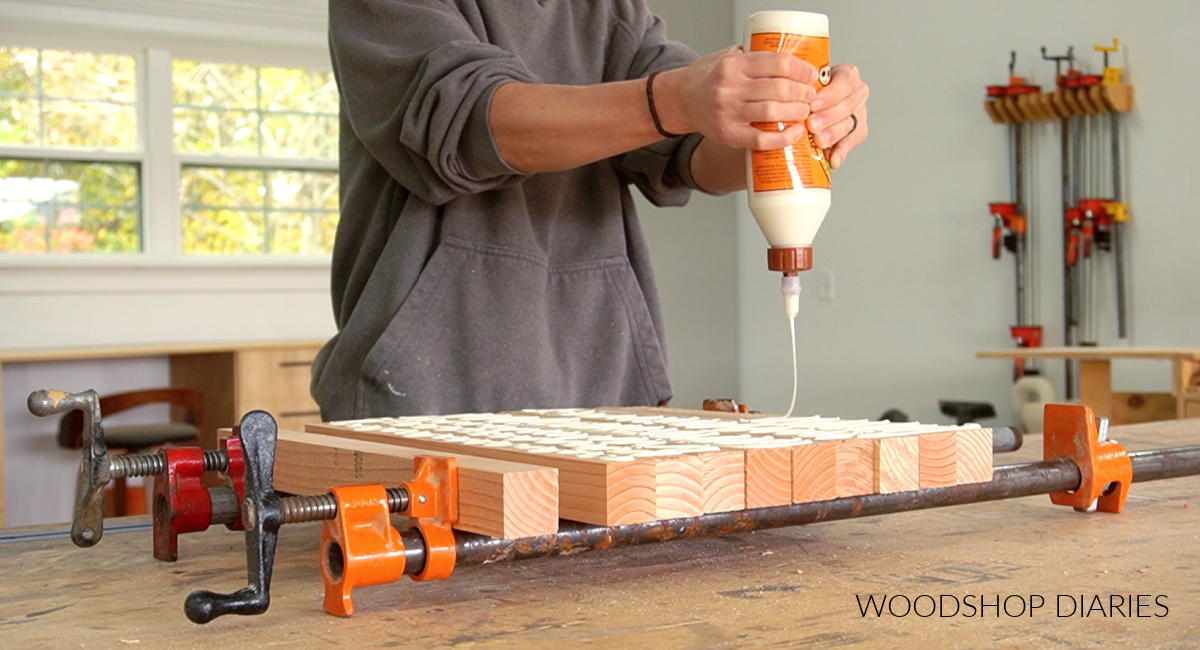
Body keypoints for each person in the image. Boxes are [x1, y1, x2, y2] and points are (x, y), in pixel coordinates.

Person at [311, 0, 869, 421]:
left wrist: (787, 123)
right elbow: (472, 122)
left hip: (604, 389)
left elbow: (691, 153)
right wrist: (676, 98)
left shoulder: (607, 7)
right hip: (427, 390)